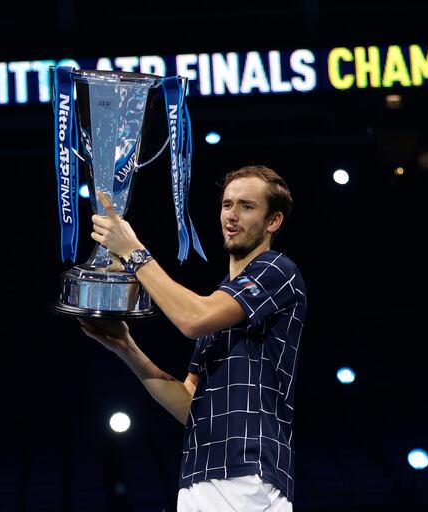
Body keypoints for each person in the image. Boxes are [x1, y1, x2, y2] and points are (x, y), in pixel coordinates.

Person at [80, 165, 306, 511]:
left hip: (247, 473)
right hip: (197, 479)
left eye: (246, 206)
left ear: (273, 221)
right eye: (227, 204)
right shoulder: (220, 299)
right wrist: (127, 348)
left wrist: (133, 251)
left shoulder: (277, 270)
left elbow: (191, 319)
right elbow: (190, 404)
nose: (231, 215)